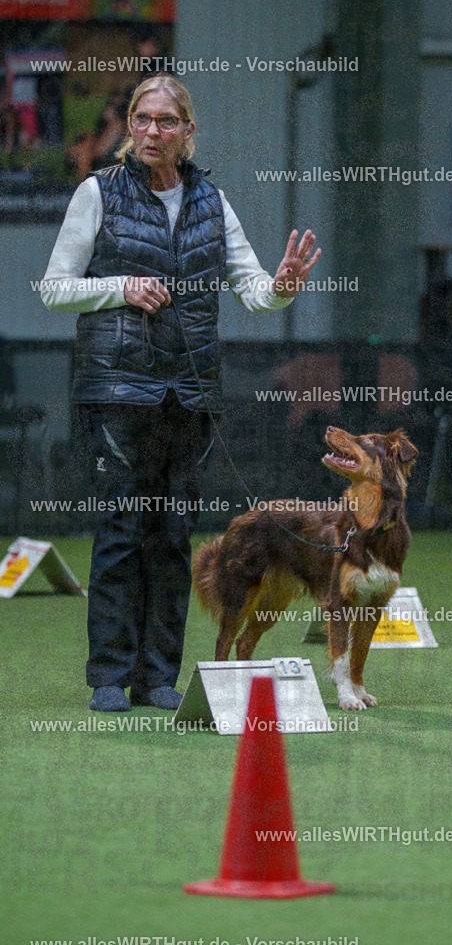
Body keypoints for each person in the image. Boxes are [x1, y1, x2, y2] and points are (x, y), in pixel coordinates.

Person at [41, 75, 320, 712]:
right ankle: (110, 676)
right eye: (142, 118)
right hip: (117, 391)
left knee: (172, 536)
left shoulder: (211, 202)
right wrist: (120, 287)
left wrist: (283, 286)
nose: (152, 131)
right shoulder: (98, 192)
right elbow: (55, 288)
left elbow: (256, 292)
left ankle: (159, 676)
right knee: (121, 532)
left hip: (189, 394)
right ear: (130, 126)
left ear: (188, 131)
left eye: (166, 121)